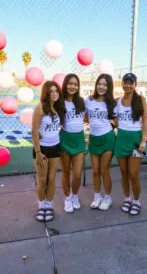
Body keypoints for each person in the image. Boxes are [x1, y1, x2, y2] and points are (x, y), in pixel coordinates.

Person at [114, 73, 147, 216]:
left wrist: (143, 141)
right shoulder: (117, 101)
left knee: (133, 173)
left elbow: (145, 121)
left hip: (135, 142)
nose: (127, 85)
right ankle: (127, 199)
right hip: (121, 140)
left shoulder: (141, 100)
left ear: (135, 84)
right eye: (125, 82)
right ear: (121, 84)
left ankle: (137, 201)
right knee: (124, 173)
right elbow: (115, 120)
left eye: (130, 82)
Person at [32, 81, 66, 222]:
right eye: (51, 91)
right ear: (46, 93)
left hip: (55, 147)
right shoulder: (40, 108)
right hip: (42, 149)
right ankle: (41, 206)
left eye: (56, 91)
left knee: (51, 179)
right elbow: (34, 131)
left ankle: (49, 206)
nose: (54, 93)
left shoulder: (58, 107)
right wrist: (38, 152)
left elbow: (58, 126)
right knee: (42, 180)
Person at [85, 73, 117, 210]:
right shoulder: (89, 100)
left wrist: (111, 126)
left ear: (109, 87)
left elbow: (117, 120)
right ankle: (97, 196)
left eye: (105, 84)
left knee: (104, 170)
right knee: (95, 171)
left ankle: (108, 197)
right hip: (93, 138)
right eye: (100, 83)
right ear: (96, 84)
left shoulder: (112, 103)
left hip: (107, 139)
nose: (101, 87)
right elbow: (86, 117)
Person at [60, 74, 86, 213]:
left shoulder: (82, 102)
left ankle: (74, 196)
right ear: (65, 85)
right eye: (70, 83)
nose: (73, 86)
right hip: (64, 139)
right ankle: (67, 198)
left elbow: (90, 117)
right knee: (65, 172)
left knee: (77, 174)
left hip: (79, 140)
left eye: (75, 84)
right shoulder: (59, 101)